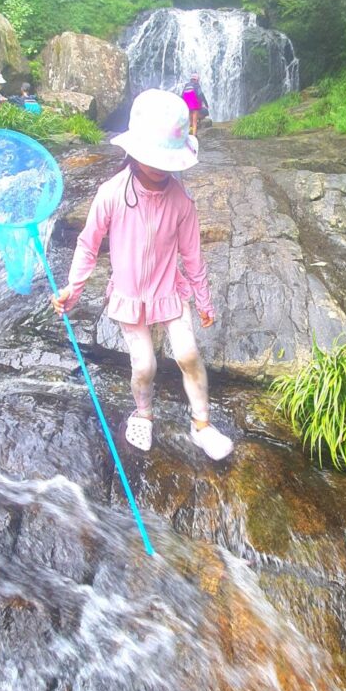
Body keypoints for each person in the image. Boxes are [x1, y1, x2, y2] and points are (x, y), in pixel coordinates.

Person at [51, 89, 233, 461]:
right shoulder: (112, 193)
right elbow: (89, 244)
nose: (159, 167)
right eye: (153, 157)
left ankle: (201, 425)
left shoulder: (182, 201)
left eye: (166, 159)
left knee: (187, 353)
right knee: (145, 364)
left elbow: (193, 255)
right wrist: (74, 287)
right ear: (134, 150)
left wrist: (203, 301)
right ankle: (143, 413)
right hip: (130, 293)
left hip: (170, 289)